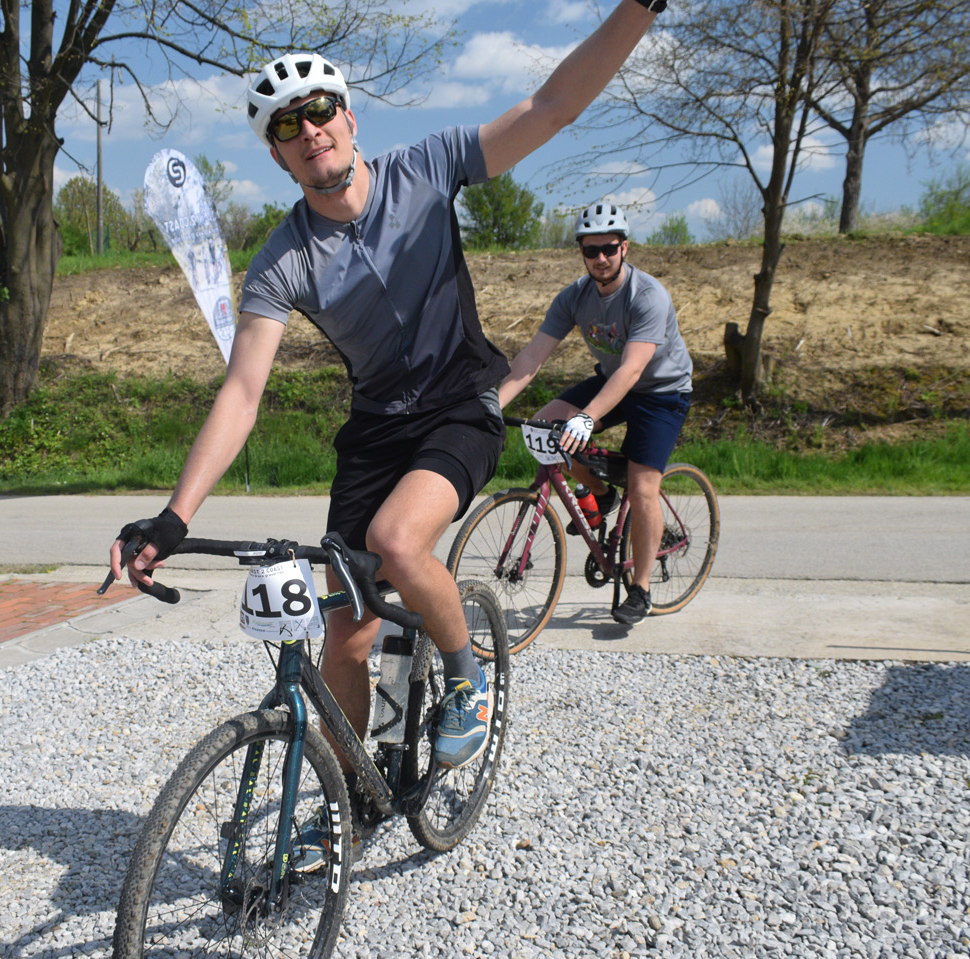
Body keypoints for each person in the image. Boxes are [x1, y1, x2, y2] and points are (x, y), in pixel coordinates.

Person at [108, 0, 669, 868]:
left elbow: (553, 107)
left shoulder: (429, 167)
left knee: (397, 542)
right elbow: (243, 390)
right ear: (278, 152)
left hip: (460, 406)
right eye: (287, 125)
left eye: (320, 109)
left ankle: (468, 679)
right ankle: (348, 799)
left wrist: (639, 9)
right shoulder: (284, 259)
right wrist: (172, 518)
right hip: (375, 431)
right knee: (349, 632)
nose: (310, 130)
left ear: (349, 118)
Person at [497, 201, 693, 627]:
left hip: (660, 391)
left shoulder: (648, 296)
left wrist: (586, 419)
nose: (601, 258)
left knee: (643, 489)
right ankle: (601, 496)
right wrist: (491, 406)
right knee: (543, 427)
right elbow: (531, 357)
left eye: (609, 248)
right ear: (581, 252)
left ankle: (640, 588)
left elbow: (633, 369)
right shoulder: (575, 297)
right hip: (613, 382)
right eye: (591, 250)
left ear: (624, 247)